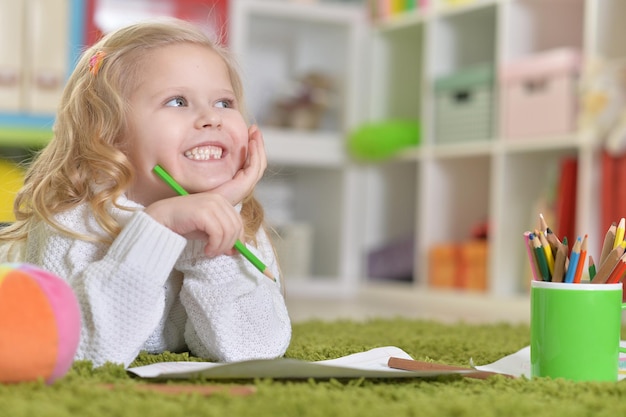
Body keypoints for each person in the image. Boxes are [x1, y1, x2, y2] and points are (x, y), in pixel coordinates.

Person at [0, 18, 291, 368]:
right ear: (107, 134)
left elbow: (253, 350)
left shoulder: (237, 218)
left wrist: (207, 242)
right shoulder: (73, 219)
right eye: (178, 101)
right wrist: (157, 229)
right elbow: (83, 353)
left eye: (224, 103)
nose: (211, 118)